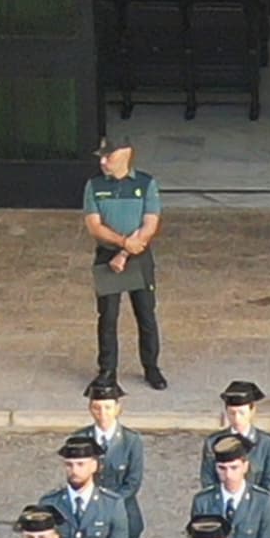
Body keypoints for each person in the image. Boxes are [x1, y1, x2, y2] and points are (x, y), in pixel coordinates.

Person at [84, 136, 166, 388]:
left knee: (146, 314)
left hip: (138, 255)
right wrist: (121, 245)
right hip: (108, 254)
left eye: (109, 156)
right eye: (101, 157)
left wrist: (126, 252)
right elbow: (94, 226)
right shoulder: (95, 186)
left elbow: (150, 223)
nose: (103, 161)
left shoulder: (145, 183)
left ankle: (151, 367)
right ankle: (107, 369)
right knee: (107, 316)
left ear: (126, 155)